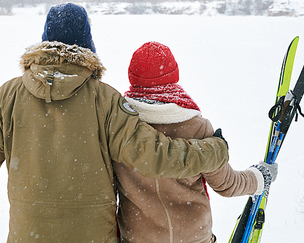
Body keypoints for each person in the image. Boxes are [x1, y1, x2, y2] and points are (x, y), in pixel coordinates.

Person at [0, 3, 229, 243]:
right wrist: (214, 150)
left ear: (44, 41)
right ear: (87, 44)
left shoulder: (8, 96)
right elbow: (156, 156)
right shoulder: (105, 101)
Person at [114, 41, 278, 243]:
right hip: (192, 236)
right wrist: (260, 178)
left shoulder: (119, 129)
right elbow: (227, 184)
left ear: (132, 77)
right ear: (174, 74)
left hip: (139, 237)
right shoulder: (196, 127)